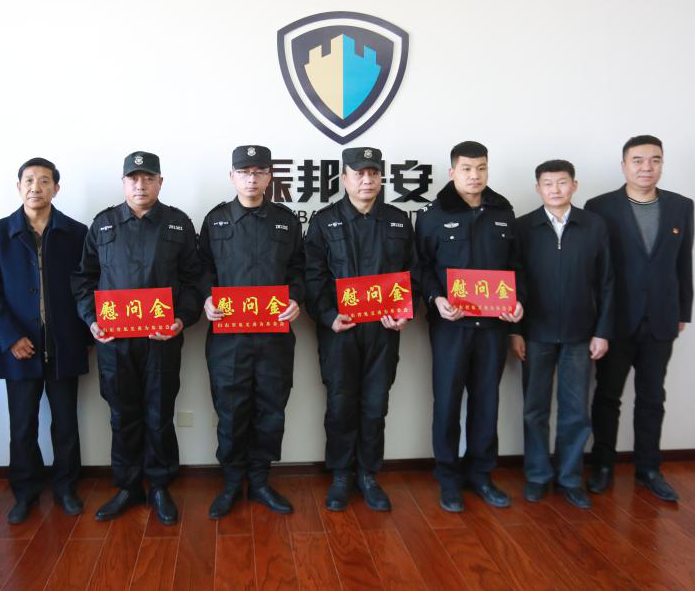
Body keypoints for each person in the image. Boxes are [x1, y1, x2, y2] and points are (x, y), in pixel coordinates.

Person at [71, 151, 204, 525]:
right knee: (122, 416)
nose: (140, 185)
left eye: (148, 178)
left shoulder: (178, 224)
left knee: (159, 415)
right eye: (133, 178)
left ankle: (160, 486)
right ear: (123, 182)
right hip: (115, 344)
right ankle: (128, 486)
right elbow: (83, 279)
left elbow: (195, 281)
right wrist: (92, 319)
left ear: (160, 182)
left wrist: (181, 319)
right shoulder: (103, 225)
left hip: (162, 341)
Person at [0, 158, 93, 524]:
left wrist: (85, 332)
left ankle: (66, 487)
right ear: (18, 187)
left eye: (44, 181)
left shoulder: (76, 232)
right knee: (22, 425)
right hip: (18, 348)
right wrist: (10, 337)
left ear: (56, 188)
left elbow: (87, 285)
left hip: (64, 343)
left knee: (66, 423)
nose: (36, 187)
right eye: (28, 180)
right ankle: (25, 492)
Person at [304, 146, 415, 513]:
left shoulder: (398, 221)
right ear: (344, 178)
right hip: (341, 331)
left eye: (373, 173)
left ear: (381, 177)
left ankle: (368, 474)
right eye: (359, 173)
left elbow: (412, 273)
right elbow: (313, 276)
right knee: (340, 404)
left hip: (383, 331)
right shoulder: (324, 221)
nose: (367, 180)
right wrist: (327, 315)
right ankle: (340, 475)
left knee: (375, 404)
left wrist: (405, 312)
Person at [415, 141, 524, 513]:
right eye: (466, 168)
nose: (474, 176)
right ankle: (448, 478)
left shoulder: (503, 212)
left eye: (480, 168)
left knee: (486, 401)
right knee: (447, 402)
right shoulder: (433, 215)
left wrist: (517, 302)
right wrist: (435, 299)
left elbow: (516, 267)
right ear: (452, 172)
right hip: (451, 326)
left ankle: (481, 474)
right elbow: (421, 267)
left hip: (493, 325)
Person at [198, 145, 304, 519]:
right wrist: (206, 299)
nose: (251, 178)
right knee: (231, 411)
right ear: (232, 176)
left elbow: (299, 269)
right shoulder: (216, 221)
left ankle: (260, 481)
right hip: (229, 339)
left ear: (269, 176)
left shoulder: (286, 221)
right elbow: (202, 269)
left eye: (259, 171)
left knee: (270, 409)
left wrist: (296, 299)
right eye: (244, 172)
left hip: (274, 338)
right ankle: (231, 483)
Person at [585, 135, 694, 502]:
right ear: (624, 166)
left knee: (652, 397)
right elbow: (595, 269)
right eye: (638, 160)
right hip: (615, 320)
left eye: (655, 160)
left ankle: (649, 469)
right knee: (607, 396)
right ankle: (602, 465)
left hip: (662, 319)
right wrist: (596, 319)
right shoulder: (600, 207)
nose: (647, 167)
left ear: (662, 164)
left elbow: (684, 263)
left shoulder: (681, 206)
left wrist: (683, 311)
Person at [509, 160, 614, 509]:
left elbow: (607, 282)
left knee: (575, 412)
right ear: (537, 188)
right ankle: (538, 476)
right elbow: (514, 282)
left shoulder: (594, 225)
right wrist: (515, 332)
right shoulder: (523, 227)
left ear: (574, 185)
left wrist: (602, 331)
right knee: (534, 410)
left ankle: (570, 478)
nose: (555, 189)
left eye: (562, 182)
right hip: (535, 332)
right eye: (548, 183)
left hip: (580, 334)